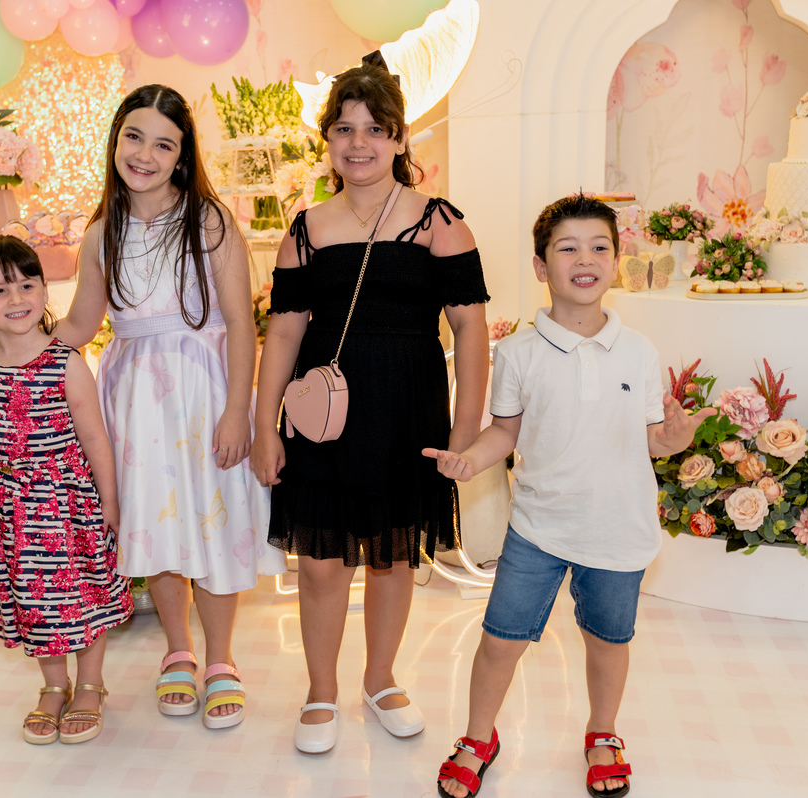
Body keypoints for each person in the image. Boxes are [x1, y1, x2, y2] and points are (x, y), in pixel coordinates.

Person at [425, 195, 717, 798]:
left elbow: (652, 438)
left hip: (618, 529)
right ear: (541, 266)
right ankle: (478, 738)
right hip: (538, 528)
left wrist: (674, 437)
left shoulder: (639, 350)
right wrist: (469, 459)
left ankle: (603, 733)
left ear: (616, 260)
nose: (585, 259)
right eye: (568, 248)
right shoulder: (518, 352)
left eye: (599, 247)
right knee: (500, 641)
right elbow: (504, 432)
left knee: (608, 643)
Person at [252, 52, 490, 754]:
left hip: (408, 408)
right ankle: (320, 689)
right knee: (321, 560)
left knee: (392, 554)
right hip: (323, 416)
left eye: (375, 129)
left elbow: (470, 327)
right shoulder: (306, 227)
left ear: (400, 138)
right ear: (327, 139)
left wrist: (465, 433)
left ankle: (380, 679)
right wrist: (265, 425)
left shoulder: (439, 222)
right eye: (344, 129)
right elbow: (284, 331)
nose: (359, 143)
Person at [54, 84, 284, 729]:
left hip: (203, 390)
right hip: (132, 398)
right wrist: (14, 342)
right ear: (116, 140)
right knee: (153, 524)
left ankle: (220, 658)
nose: (145, 155)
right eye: (134, 137)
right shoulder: (100, 233)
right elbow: (81, 323)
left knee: (211, 521)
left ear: (182, 156)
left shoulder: (209, 221)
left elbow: (241, 323)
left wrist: (237, 411)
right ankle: (177, 650)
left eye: (164, 144)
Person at [0, 235, 131, 746]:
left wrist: (110, 502)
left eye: (27, 285)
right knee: (33, 599)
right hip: (7, 509)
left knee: (80, 595)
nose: (16, 298)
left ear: (45, 291)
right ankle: (54, 685)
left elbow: (95, 438)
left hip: (64, 506)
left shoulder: (65, 361)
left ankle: (90, 684)